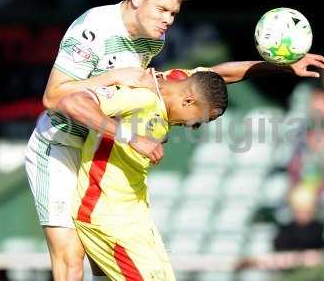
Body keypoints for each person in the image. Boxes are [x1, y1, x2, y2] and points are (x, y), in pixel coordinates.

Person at [25, 0, 324, 280]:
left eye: (173, 14)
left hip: (99, 141)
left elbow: (209, 78)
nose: (168, 20)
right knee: (71, 260)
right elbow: (54, 98)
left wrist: (281, 65)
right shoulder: (93, 30)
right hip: (62, 142)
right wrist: (116, 84)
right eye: (161, 9)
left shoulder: (152, 38)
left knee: (106, 266)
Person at [58, 69, 228, 280]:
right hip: (106, 215)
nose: (192, 127)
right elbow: (72, 102)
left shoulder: (164, 104)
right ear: (188, 101)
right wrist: (131, 137)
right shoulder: (142, 97)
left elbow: (227, 72)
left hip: (136, 218)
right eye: (200, 120)